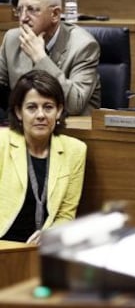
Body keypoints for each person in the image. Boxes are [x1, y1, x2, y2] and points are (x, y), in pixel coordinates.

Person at [0, 69, 87, 244]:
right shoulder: (2, 142)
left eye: (48, 107)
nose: (41, 115)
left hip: (41, 250)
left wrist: (51, 234)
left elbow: (65, 214)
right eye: (32, 107)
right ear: (18, 112)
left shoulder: (75, 150)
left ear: (59, 111)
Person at [0, 0, 101, 115]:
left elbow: (74, 105)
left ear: (55, 14)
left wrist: (40, 58)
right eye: (19, 10)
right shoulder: (12, 39)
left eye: (32, 10)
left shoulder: (83, 45)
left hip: (69, 128)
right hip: (24, 127)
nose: (23, 18)